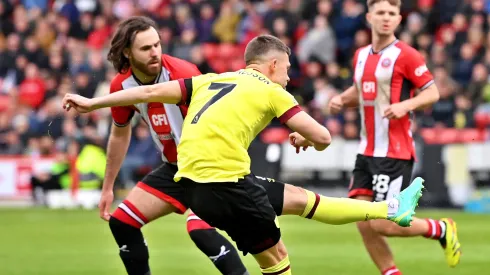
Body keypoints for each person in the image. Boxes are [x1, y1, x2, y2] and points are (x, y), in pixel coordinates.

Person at [63, 34, 425, 275]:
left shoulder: (209, 79)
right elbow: (325, 136)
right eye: (285, 68)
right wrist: (306, 139)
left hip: (193, 184)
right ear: (270, 66)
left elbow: (145, 94)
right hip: (227, 185)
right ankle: (393, 209)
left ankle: (392, 209)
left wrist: (93, 103)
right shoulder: (271, 90)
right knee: (277, 258)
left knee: (301, 200)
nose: (288, 76)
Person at [326, 1, 461, 274]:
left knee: (384, 223)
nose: (386, 18)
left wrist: (405, 105)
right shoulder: (361, 55)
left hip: (393, 152)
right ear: (369, 17)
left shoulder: (407, 55)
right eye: (380, 13)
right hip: (366, 151)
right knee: (362, 221)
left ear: (399, 19)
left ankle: (441, 228)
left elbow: (432, 92)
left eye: (391, 13)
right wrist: (342, 99)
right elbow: (361, 89)